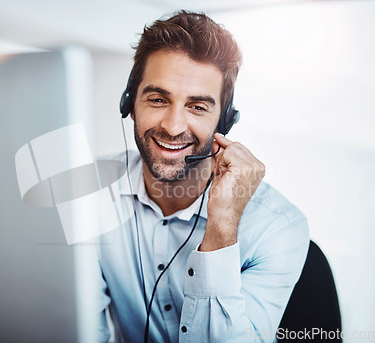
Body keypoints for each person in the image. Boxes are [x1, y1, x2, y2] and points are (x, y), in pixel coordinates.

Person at [95, 10, 309, 342]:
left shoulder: (277, 226)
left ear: (224, 122)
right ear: (129, 103)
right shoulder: (88, 194)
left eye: (197, 107)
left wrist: (223, 229)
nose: (172, 126)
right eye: (158, 99)